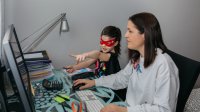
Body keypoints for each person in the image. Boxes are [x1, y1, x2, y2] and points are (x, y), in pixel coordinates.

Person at [73, 12, 180, 112]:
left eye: (130, 31)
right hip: (128, 107)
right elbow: (121, 78)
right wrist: (94, 82)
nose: (125, 35)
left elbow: (164, 109)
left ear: (145, 34)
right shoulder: (137, 58)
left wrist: (122, 110)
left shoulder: (164, 64)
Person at [65, 26, 127, 100]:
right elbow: (87, 63)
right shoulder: (102, 54)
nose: (103, 45)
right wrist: (74, 67)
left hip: (114, 93)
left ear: (116, 43)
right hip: (102, 86)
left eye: (108, 43)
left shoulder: (110, 56)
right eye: (102, 42)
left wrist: (84, 55)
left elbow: (98, 54)